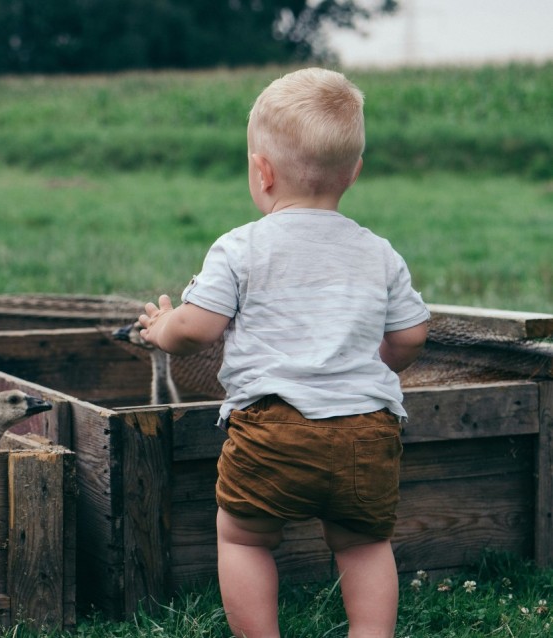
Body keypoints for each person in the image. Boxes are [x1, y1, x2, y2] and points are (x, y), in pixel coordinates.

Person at [137, 67, 429, 638]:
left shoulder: (242, 246)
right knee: (365, 545)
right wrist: (378, 366)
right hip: (366, 433)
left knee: (244, 536)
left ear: (262, 171)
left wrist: (162, 326)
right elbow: (411, 335)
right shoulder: (378, 253)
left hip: (273, 428)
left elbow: (198, 329)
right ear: (354, 172)